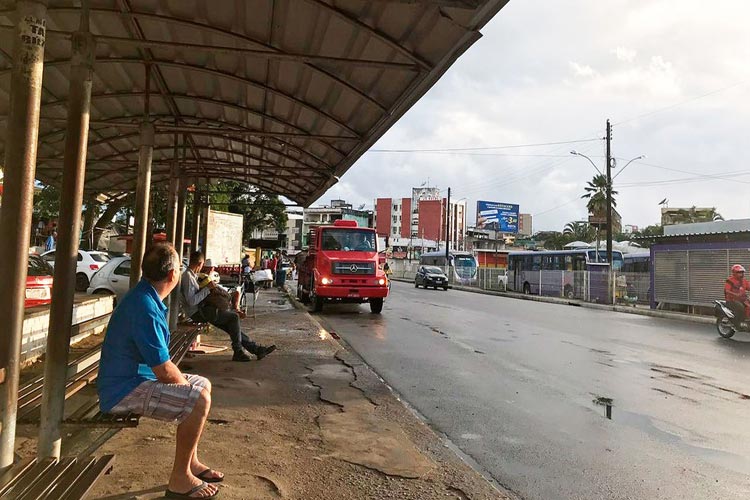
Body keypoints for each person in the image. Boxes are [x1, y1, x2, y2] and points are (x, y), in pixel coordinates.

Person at [98, 243, 222, 499]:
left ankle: (192, 462)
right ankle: (179, 480)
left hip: (135, 379)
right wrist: (189, 392)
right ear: (172, 276)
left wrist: (191, 388)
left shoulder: (145, 297)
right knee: (199, 398)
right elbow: (164, 371)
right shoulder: (144, 306)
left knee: (204, 385)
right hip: (122, 390)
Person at [181, 251, 276, 362]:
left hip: (204, 310)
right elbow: (191, 301)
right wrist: (208, 289)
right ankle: (238, 351)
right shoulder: (187, 277)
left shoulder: (192, 276)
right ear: (200, 263)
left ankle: (256, 349)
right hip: (198, 312)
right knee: (233, 318)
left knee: (231, 325)